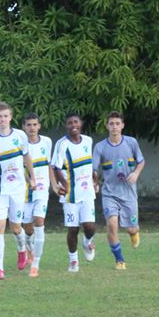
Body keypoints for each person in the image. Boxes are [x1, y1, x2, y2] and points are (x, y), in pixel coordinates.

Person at [0, 102, 34, 280]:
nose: (2, 120)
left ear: (10, 117)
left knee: (16, 227)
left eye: (5, 116)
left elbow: (26, 157)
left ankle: (21, 249)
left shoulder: (20, 136)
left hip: (18, 189)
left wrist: (31, 177)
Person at [93, 111, 145, 269]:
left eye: (117, 123)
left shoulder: (131, 143)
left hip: (129, 193)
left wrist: (136, 173)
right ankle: (119, 260)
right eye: (111, 124)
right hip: (109, 193)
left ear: (122, 125)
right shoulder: (100, 147)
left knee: (131, 228)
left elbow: (141, 162)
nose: (114, 127)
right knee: (112, 225)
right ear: (107, 126)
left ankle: (134, 233)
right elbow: (94, 169)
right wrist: (95, 182)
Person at [51, 112, 98, 272]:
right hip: (70, 194)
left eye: (75, 122)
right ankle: (73, 261)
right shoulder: (62, 144)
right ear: (67, 125)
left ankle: (87, 242)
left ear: (81, 123)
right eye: (70, 123)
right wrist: (62, 184)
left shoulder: (88, 141)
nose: (73, 125)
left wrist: (94, 177)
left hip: (87, 191)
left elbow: (89, 163)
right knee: (73, 229)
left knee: (90, 226)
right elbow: (55, 167)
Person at [21, 113, 54, 277]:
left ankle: (36, 264)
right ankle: (28, 245)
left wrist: (54, 184)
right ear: (24, 127)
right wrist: (29, 180)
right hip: (24, 191)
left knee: (39, 221)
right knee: (27, 226)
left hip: (42, 189)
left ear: (39, 126)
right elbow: (20, 168)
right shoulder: (20, 144)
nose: (32, 128)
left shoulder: (47, 142)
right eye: (28, 125)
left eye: (34, 124)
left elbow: (49, 165)